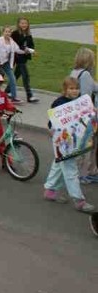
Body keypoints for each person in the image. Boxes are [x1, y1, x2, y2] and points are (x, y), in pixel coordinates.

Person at [43, 77, 96, 212]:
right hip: (63, 142)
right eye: (71, 88)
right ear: (65, 89)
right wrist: (52, 129)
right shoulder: (59, 103)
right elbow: (52, 121)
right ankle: (79, 200)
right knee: (71, 169)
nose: (75, 91)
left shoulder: (79, 102)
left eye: (77, 88)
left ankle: (50, 190)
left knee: (59, 164)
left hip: (74, 141)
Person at [70, 47, 98, 183]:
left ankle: (84, 172)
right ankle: (82, 175)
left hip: (76, 115)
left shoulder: (75, 72)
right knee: (86, 145)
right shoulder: (85, 75)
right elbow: (86, 97)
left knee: (81, 144)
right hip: (86, 117)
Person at [11, 17, 39, 103]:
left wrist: (32, 51)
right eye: (22, 23)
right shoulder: (15, 34)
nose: (24, 25)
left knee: (16, 75)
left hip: (24, 57)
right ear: (18, 24)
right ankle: (29, 95)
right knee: (26, 76)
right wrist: (24, 49)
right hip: (18, 57)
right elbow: (15, 45)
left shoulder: (28, 35)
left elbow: (31, 45)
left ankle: (7, 91)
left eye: (25, 23)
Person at [0, 26, 25, 104]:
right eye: (6, 32)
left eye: (9, 32)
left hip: (6, 63)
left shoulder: (11, 41)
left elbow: (17, 50)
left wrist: (27, 51)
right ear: (3, 32)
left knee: (12, 79)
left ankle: (14, 98)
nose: (8, 33)